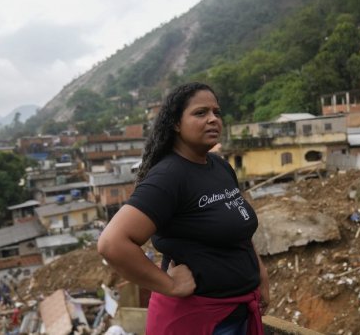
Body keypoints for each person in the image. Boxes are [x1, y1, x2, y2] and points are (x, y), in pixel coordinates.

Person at [98, 82, 270, 335]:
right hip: (197, 321)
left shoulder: (220, 167)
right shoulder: (168, 177)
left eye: (216, 112)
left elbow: (238, 230)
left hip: (237, 313)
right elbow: (112, 244)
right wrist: (170, 285)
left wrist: (260, 274)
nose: (213, 119)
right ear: (176, 124)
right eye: (201, 113)